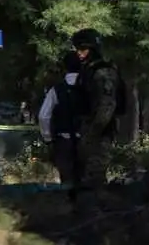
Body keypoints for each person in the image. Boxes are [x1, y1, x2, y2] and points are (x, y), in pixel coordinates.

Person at [70, 28, 123, 216]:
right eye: (77, 48)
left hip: (99, 134)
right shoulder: (88, 71)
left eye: (83, 49)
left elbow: (106, 108)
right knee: (84, 178)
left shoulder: (103, 73)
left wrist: (91, 135)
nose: (79, 53)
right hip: (88, 131)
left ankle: (99, 221)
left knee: (94, 178)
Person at [37, 51, 83, 187]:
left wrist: (48, 138)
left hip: (63, 141)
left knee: (67, 180)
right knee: (85, 180)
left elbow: (43, 116)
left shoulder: (57, 90)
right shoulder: (88, 88)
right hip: (86, 141)